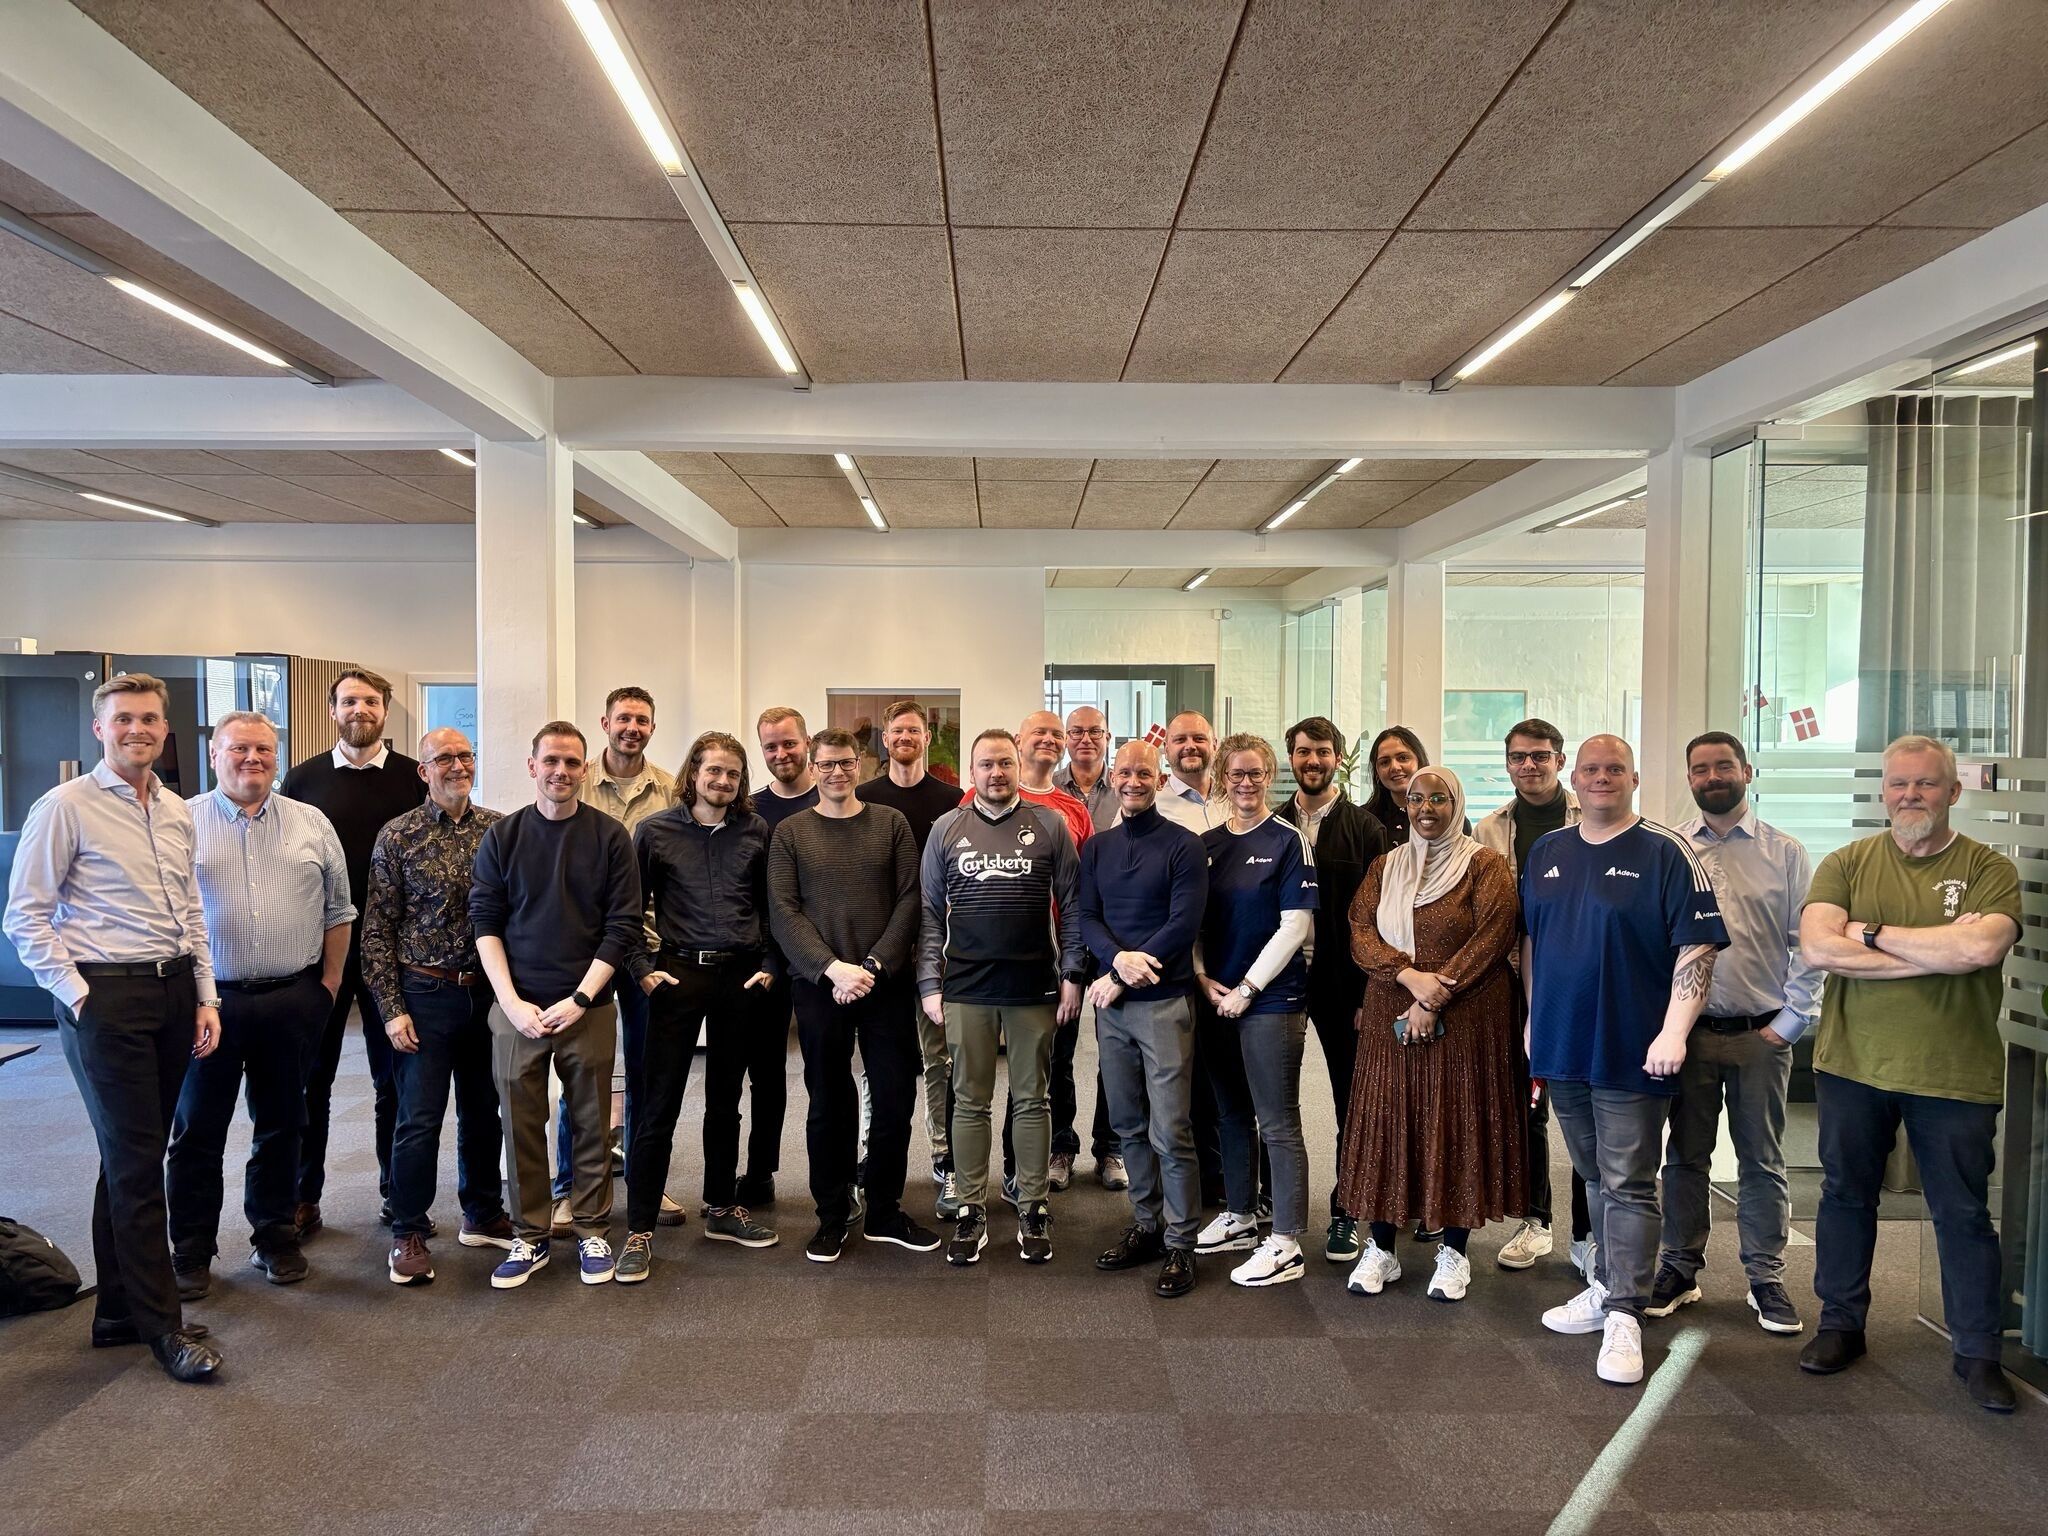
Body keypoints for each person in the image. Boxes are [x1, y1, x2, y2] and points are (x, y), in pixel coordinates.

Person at [3, 673, 224, 1381]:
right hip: (105, 1000)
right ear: (100, 729)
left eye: (150, 719)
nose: (139, 729)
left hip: (169, 992)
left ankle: (118, 1313)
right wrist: (79, 996)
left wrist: (205, 997)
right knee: (137, 1166)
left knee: (132, 1155)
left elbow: (190, 913)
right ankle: (165, 1329)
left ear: (165, 730)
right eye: (124, 718)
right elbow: (25, 917)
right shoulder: (65, 806)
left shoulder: (176, 809)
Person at [1797, 734, 2023, 1413]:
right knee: (1844, 1198)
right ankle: (1841, 1325)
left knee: (1961, 1212)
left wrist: (1868, 935)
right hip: (1853, 1066)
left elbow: (1981, 945)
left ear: (1953, 793)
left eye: (1925, 784)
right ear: (1883, 792)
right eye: (1898, 784)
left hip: (1952, 1073)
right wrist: (1937, 954)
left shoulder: (1989, 868)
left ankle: (1978, 1353)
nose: (1909, 796)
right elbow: (1815, 947)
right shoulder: (1847, 863)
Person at [1521, 734, 1727, 1385]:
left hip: (1634, 1047)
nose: (1602, 777)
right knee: (1591, 1175)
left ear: (1634, 776)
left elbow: (1699, 948)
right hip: (1561, 1045)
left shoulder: (1667, 851)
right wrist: (1532, 1019)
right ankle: (1608, 1284)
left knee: (1630, 1181)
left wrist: (1673, 1032)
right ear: (1573, 779)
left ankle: (1626, 1314)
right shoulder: (1547, 851)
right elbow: (1533, 943)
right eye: (1591, 769)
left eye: (1615, 768)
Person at [167, 713, 352, 1298]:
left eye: (264, 750)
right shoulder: (181, 821)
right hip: (207, 1004)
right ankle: (192, 1248)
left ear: (278, 756)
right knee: (198, 1128)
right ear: (215, 754)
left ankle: (274, 1235)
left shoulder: (311, 822)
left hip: (290, 999)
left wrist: (325, 988)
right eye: (239, 748)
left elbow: (338, 911)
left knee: (282, 1124)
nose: (253, 759)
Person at [1648, 732, 1820, 1335]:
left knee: (1762, 1161)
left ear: (1746, 771)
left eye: (1724, 765)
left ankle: (1765, 1277)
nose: (1713, 776)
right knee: (1685, 1157)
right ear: (1689, 778)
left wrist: (1790, 1023)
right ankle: (1679, 1268)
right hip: (1688, 1038)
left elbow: (1811, 946)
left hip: (1759, 1035)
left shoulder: (1786, 853)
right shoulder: (1669, 850)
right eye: (1700, 768)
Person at [1339, 766, 1524, 1305]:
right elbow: (1360, 930)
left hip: (1465, 1015)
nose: (1425, 808)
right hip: (1389, 1011)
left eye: (1437, 798)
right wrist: (1409, 977)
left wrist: (1434, 994)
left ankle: (1455, 1251)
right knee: (1387, 1121)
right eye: (1416, 799)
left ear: (1456, 802)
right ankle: (1381, 1248)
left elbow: (1494, 935)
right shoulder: (1385, 866)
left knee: (1454, 1120)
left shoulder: (1483, 865)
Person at [469, 722, 641, 1290]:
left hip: (588, 1005)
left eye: (572, 762)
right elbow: (485, 923)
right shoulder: (503, 838)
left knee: (592, 1121)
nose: (561, 772)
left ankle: (592, 1227)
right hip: (517, 1008)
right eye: (551, 761)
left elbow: (621, 927)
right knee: (520, 1123)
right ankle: (530, 1237)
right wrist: (512, 1003)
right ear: (532, 766)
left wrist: (582, 997)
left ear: (584, 769)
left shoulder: (610, 837)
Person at [617, 732, 782, 1283]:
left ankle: (719, 1207)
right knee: (657, 1102)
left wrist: (769, 964)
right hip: (677, 973)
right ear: (693, 774)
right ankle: (639, 1227)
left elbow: (769, 906)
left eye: (733, 774)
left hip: (740, 978)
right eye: (714, 771)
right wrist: (642, 970)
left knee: (725, 1100)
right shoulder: (656, 831)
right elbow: (628, 909)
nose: (723, 782)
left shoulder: (755, 831)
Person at [767, 727, 935, 1262]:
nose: (836, 772)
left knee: (894, 1097)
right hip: (820, 986)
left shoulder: (891, 824)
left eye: (845, 763)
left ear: (860, 765)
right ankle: (833, 1215)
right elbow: (783, 912)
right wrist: (833, 969)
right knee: (829, 1102)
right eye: (826, 764)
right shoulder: (791, 833)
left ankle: (884, 1209)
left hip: (883, 982)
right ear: (812, 769)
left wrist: (873, 965)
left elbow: (911, 900)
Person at [921, 729, 1085, 1265]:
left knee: (1033, 1098)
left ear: (1018, 769)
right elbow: (927, 913)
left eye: (1005, 765)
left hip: (1034, 985)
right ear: (971, 773)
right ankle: (970, 1208)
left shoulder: (1050, 825)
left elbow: (1074, 906)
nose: (996, 773)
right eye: (986, 765)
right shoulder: (946, 829)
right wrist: (929, 983)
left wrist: (1073, 974)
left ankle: (1032, 1204)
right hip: (965, 986)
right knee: (969, 1100)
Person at [361, 727, 515, 1287]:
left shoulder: (500, 830)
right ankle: (408, 1228)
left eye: (464, 755)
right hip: (422, 995)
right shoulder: (397, 836)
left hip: (486, 993)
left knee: (482, 1111)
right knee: (419, 1119)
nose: (456, 765)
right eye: (443, 758)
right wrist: (390, 1007)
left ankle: (481, 1212)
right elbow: (376, 931)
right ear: (422, 771)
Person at [282, 665, 425, 1241]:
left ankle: (397, 1192)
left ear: (384, 711)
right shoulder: (303, 778)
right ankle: (303, 1196)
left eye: (370, 701)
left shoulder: (415, 777)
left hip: (392, 952)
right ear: (333, 710)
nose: (359, 710)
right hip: (321, 951)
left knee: (393, 1078)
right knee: (311, 1076)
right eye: (348, 702)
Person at [554, 687, 684, 1234]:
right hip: (584, 952)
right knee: (582, 1073)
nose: (632, 727)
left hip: (649, 948)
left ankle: (644, 1178)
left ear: (652, 727)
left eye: (643, 720)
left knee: (647, 1073)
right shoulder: (573, 780)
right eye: (624, 718)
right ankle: (569, 1186)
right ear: (605, 722)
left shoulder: (673, 789)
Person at [1191, 734, 1319, 1288]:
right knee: (1230, 1115)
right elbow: (1193, 920)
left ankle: (1286, 1241)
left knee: (1278, 1119)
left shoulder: (1289, 841)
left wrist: (1247, 986)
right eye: (1236, 774)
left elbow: (1296, 925)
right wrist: (1201, 977)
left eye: (1255, 773)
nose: (1246, 783)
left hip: (1270, 999)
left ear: (1270, 776)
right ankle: (1242, 1216)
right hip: (1215, 996)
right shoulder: (1207, 845)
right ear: (1222, 778)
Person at [1084, 739, 1209, 1298]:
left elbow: (1184, 923)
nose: (1133, 781)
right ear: (1113, 778)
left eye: (1143, 773)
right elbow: (1086, 917)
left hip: (1162, 1004)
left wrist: (1119, 974)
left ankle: (1181, 1241)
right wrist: (1115, 961)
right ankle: (1147, 1224)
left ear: (1159, 781)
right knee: (1128, 1124)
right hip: (1112, 1011)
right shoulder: (1097, 847)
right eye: (1124, 772)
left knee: (1170, 1129)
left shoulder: (1184, 845)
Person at [1474, 717, 1591, 1274]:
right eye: (1519, 757)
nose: (1530, 765)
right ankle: (1537, 1220)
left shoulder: (1589, 814)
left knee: (1590, 1110)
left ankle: (1590, 1235)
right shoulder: (1488, 830)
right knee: (1529, 1108)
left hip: (1581, 981)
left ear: (1559, 760)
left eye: (1540, 755)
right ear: (1508, 764)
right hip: (1511, 982)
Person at [1273, 716, 1389, 1263]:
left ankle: (1346, 1209)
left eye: (1321, 752)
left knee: (1351, 1099)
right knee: (1274, 1098)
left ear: (1338, 757)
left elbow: (1379, 920)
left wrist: (1372, 994)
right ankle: (1274, 1207)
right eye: (1302, 752)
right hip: (1281, 979)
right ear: (1289, 758)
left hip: (1346, 985)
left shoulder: (1365, 829)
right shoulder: (1273, 824)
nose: (1311, 761)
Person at [858, 701, 971, 1219]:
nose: (905, 737)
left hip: (937, 949)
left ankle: (943, 1157)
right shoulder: (863, 798)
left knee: (938, 1059)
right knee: (876, 1063)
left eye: (914, 730)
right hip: (878, 949)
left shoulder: (953, 800)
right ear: (885, 738)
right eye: (896, 729)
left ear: (928, 739)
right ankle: (870, 1155)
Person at [985, 710, 1098, 1201]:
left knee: (1049, 1066)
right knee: (974, 1075)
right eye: (1040, 733)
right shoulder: (980, 797)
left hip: (1051, 958)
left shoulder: (1072, 810)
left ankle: (1039, 1160)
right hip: (986, 961)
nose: (1050, 741)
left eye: (1057, 734)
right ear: (1018, 741)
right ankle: (961, 1173)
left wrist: (1074, 965)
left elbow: (1081, 895)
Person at [740, 705, 817, 1208]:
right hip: (765, 959)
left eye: (789, 743)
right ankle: (761, 1169)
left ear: (806, 742)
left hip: (820, 960)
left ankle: (836, 1172)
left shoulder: (832, 797)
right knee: (765, 1071)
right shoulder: (748, 810)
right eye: (770, 746)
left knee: (825, 1070)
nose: (781, 753)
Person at [1056, 705, 1117, 833]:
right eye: (1077, 732)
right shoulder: (1051, 786)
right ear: (1065, 739)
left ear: (1107, 738)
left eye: (1095, 732)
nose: (1086, 740)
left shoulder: (1125, 788)